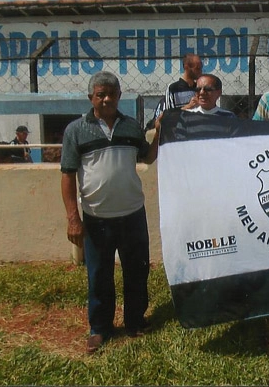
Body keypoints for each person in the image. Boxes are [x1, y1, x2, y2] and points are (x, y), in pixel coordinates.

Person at [60, 71, 161, 354]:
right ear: (90, 97)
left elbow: (147, 156)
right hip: (96, 218)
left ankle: (134, 321)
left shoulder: (130, 126)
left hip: (132, 213)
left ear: (119, 96)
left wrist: (160, 132)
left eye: (111, 94)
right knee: (99, 274)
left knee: (137, 271)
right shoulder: (76, 130)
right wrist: (73, 218)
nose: (106, 99)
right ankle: (100, 329)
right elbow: (67, 175)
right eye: (100, 94)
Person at [146, 53, 203, 129]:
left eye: (201, 68)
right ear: (186, 67)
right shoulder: (174, 88)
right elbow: (168, 115)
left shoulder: (199, 88)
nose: (200, 72)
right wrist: (188, 107)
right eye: (197, 69)